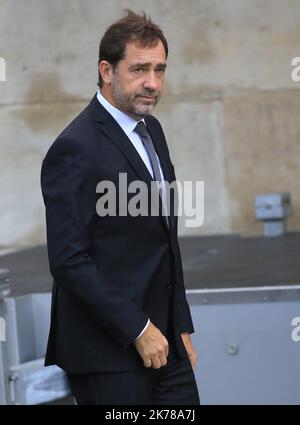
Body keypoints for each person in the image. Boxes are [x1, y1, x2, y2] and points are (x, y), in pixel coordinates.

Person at [40, 9, 200, 405]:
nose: (152, 83)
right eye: (139, 69)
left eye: (160, 69)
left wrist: (180, 323)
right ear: (106, 71)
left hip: (165, 345)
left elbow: (165, 240)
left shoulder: (152, 131)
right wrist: (138, 329)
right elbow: (68, 259)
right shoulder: (74, 148)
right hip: (108, 354)